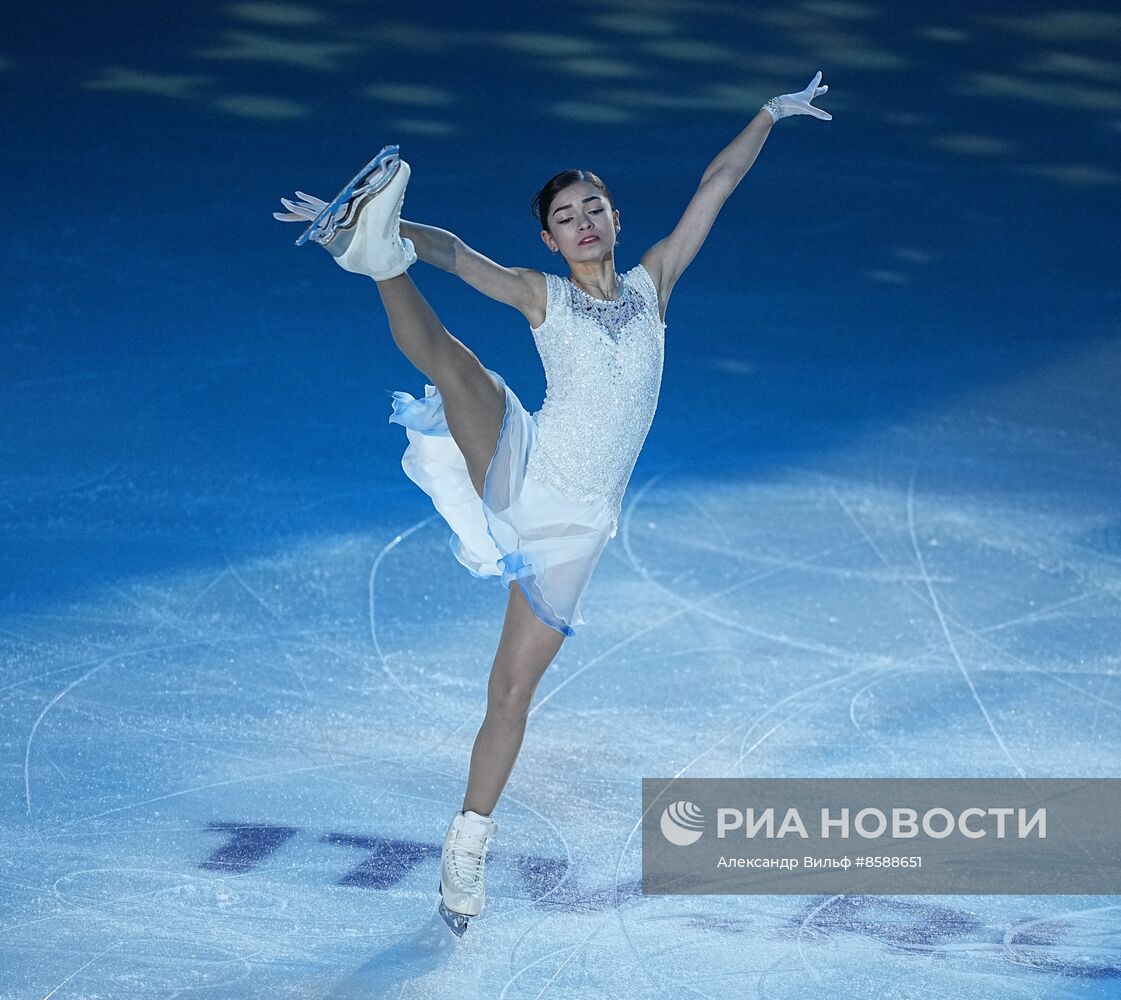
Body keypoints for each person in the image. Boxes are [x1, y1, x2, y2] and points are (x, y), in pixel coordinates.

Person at [273, 71, 832, 934]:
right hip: (524, 468)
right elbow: (460, 256)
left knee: (510, 693)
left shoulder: (654, 285)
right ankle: (372, 251)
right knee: (456, 367)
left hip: (577, 532)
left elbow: (716, 184)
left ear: (614, 218)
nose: (584, 222)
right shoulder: (546, 295)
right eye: (567, 215)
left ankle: (467, 845)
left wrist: (769, 113)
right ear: (550, 235)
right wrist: (387, 227)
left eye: (594, 207)